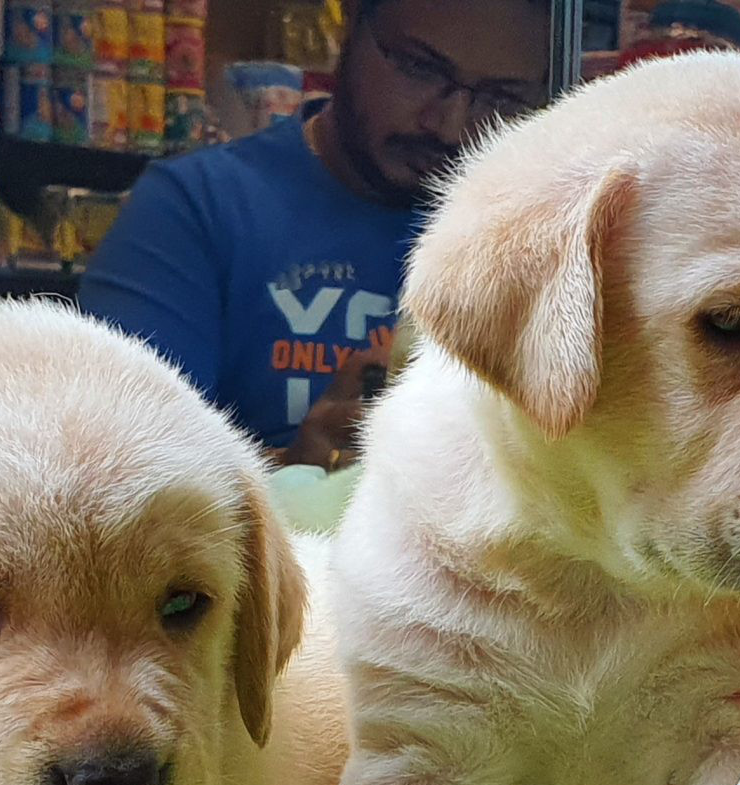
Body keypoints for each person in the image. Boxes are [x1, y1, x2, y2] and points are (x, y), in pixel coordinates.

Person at [77, 0, 549, 467]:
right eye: (419, 67)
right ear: (348, 31)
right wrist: (297, 474)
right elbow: (116, 476)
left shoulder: (532, 234)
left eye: (501, 99)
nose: (449, 126)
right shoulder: (196, 208)